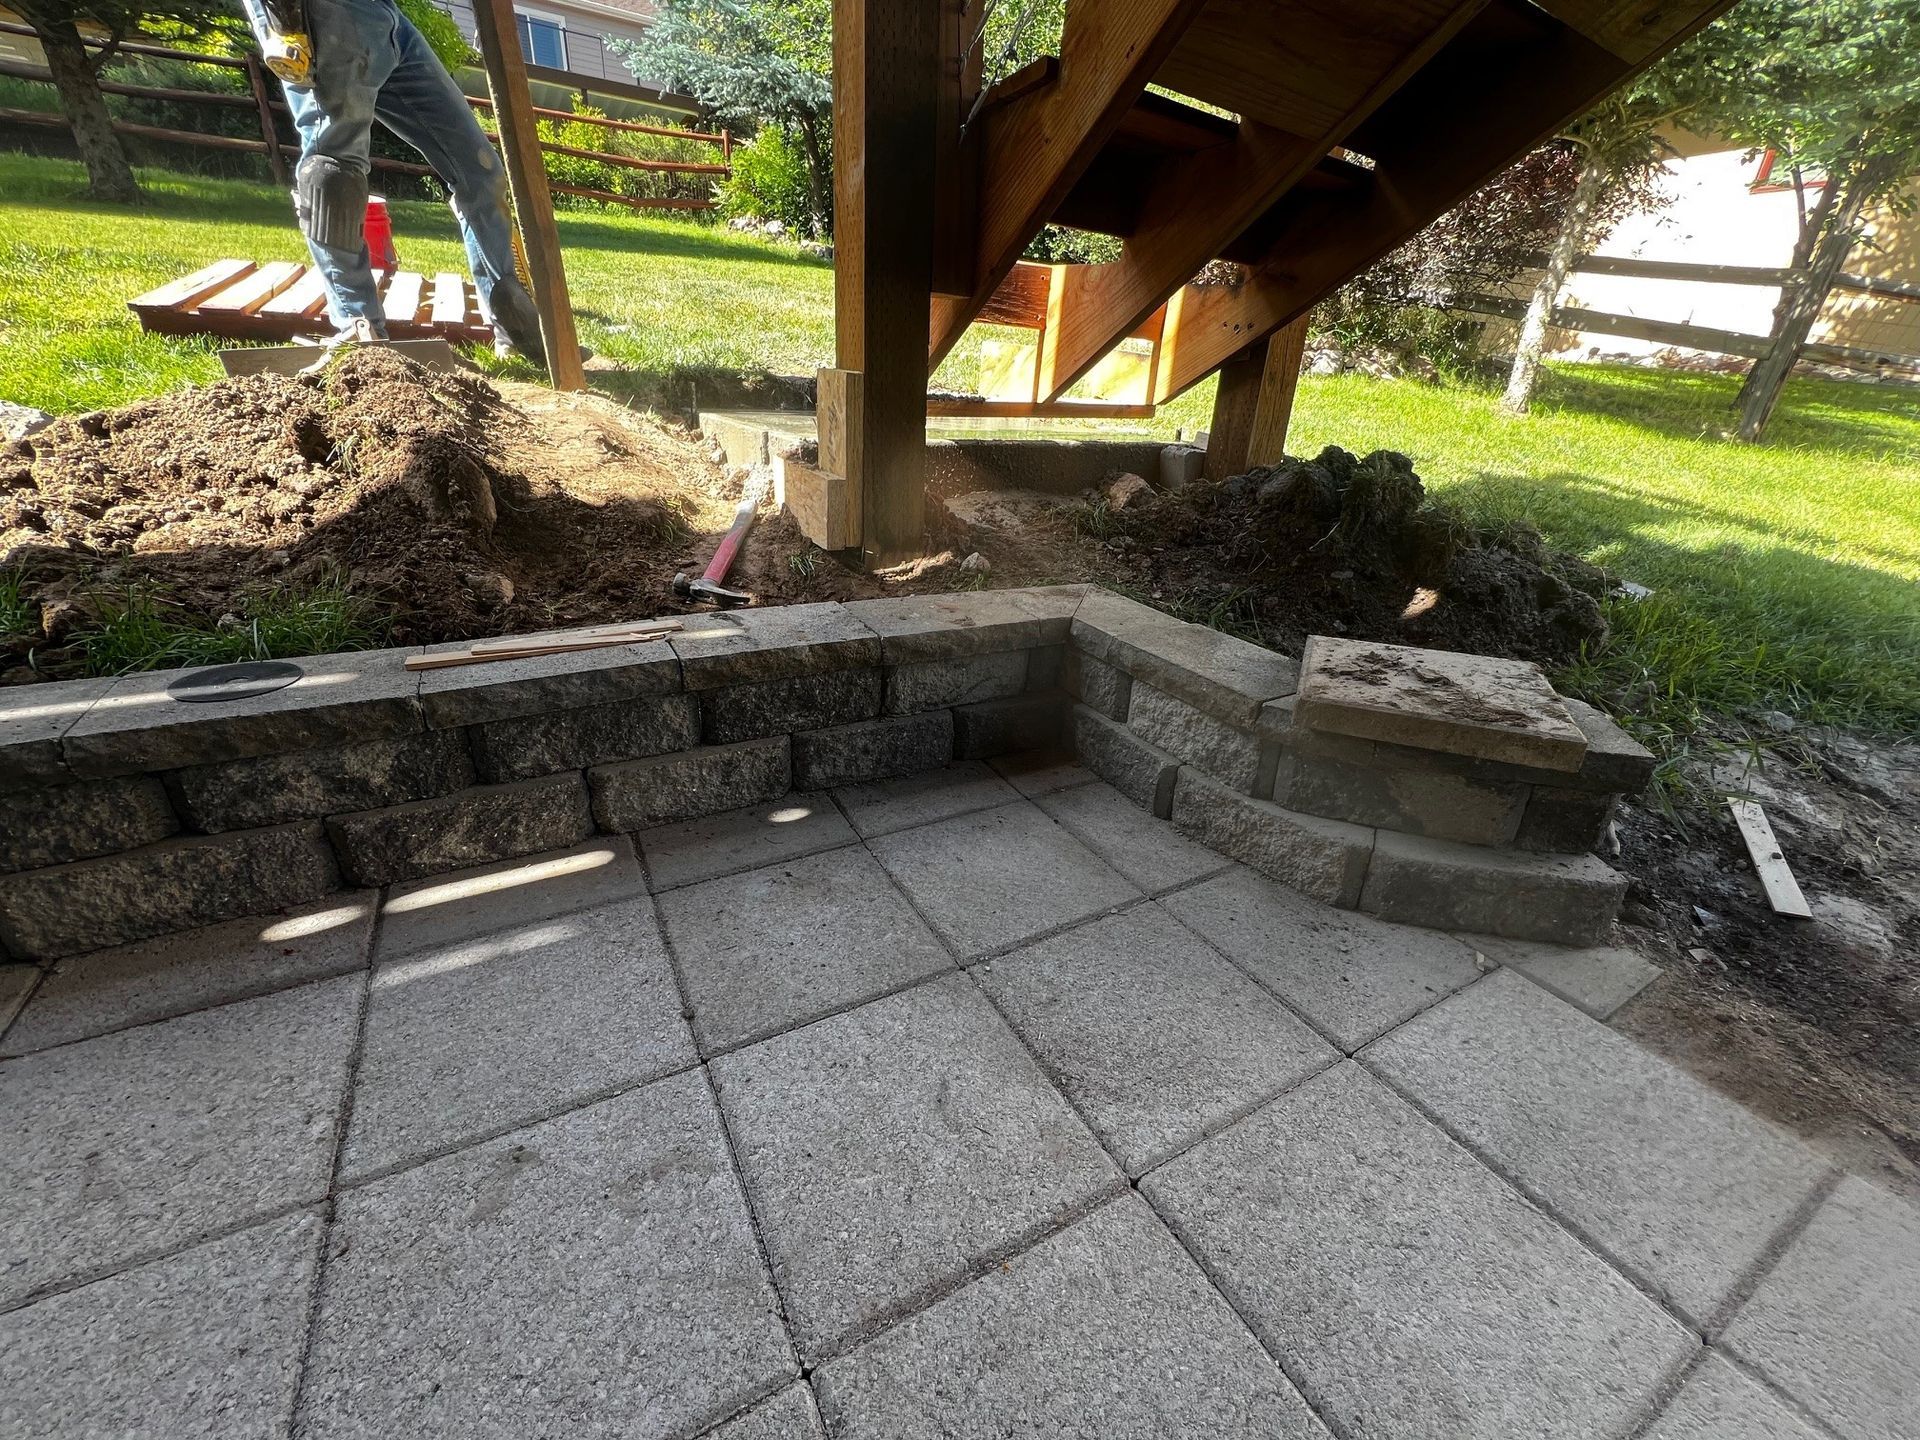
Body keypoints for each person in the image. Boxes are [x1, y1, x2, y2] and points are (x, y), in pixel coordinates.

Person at [241, 0, 549, 366]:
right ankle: (360, 335)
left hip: (386, 17)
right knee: (333, 168)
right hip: (318, 13)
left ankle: (514, 323)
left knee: (480, 171)